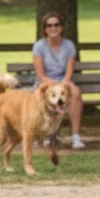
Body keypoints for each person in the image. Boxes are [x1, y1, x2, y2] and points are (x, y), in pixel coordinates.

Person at [31, 12, 85, 149]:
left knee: (76, 93)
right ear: (44, 29)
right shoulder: (39, 46)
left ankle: (76, 137)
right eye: (49, 25)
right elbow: (40, 75)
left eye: (56, 25)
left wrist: (64, 83)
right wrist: (54, 85)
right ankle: (45, 135)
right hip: (45, 82)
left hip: (63, 80)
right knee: (43, 96)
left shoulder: (69, 46)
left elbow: (69, 71)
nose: (52, 28)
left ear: (61, 28)